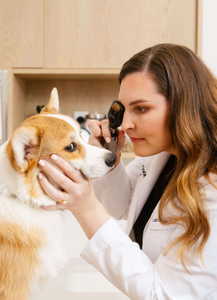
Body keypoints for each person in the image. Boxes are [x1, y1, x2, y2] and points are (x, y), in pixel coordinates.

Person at [37, 43, 217, 299]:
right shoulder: (164, 156)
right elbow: (123, 205)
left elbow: (163, 294)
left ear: (184, 105)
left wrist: (85, 208)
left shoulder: (212, 189)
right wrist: (109, 161)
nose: (125, 124)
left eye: (141, 109)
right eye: (123, 109)